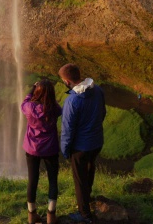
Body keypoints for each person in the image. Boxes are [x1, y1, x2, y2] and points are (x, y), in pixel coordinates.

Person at [59, 64, 106, 223]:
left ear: (66, 81)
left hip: (80, 147)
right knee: (90, 169)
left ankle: (84, 215)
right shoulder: (97, 90)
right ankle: (88, 197)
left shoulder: (72, 101)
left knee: (79, 180)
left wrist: (65, 150)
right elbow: (103, 113)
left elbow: (67, 130)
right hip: (96, 141)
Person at [21, 78, 63, 224]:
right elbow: (59, 109)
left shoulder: (29, 107)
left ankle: (32, 215)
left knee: (33, 179)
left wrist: (33, 89)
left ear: (37, 93)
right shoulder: (54, 109)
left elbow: (24, 102)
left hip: (32, 148)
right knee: (53, 180)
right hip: (50, 148)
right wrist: (50, 97)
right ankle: (51, 215)